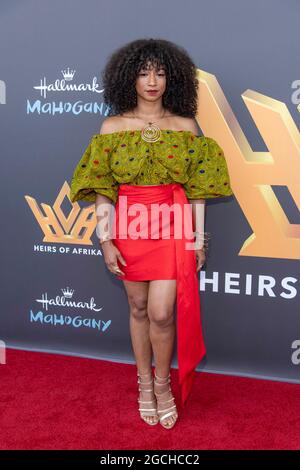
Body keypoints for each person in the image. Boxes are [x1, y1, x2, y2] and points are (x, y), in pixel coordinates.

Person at [69, 38, 234, 430]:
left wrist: (197, 239)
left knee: (162, 313)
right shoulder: (112, 126)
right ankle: (144, 384)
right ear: (129, 78)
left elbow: (199, 189)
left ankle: (163, 385)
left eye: (160, 72)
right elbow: (103, 189)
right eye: (144, 72)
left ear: (172, 78)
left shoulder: (185, 126)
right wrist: (106, 240)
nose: (152, 80)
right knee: (139, 309)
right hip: (128, 226)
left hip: (172, 225)